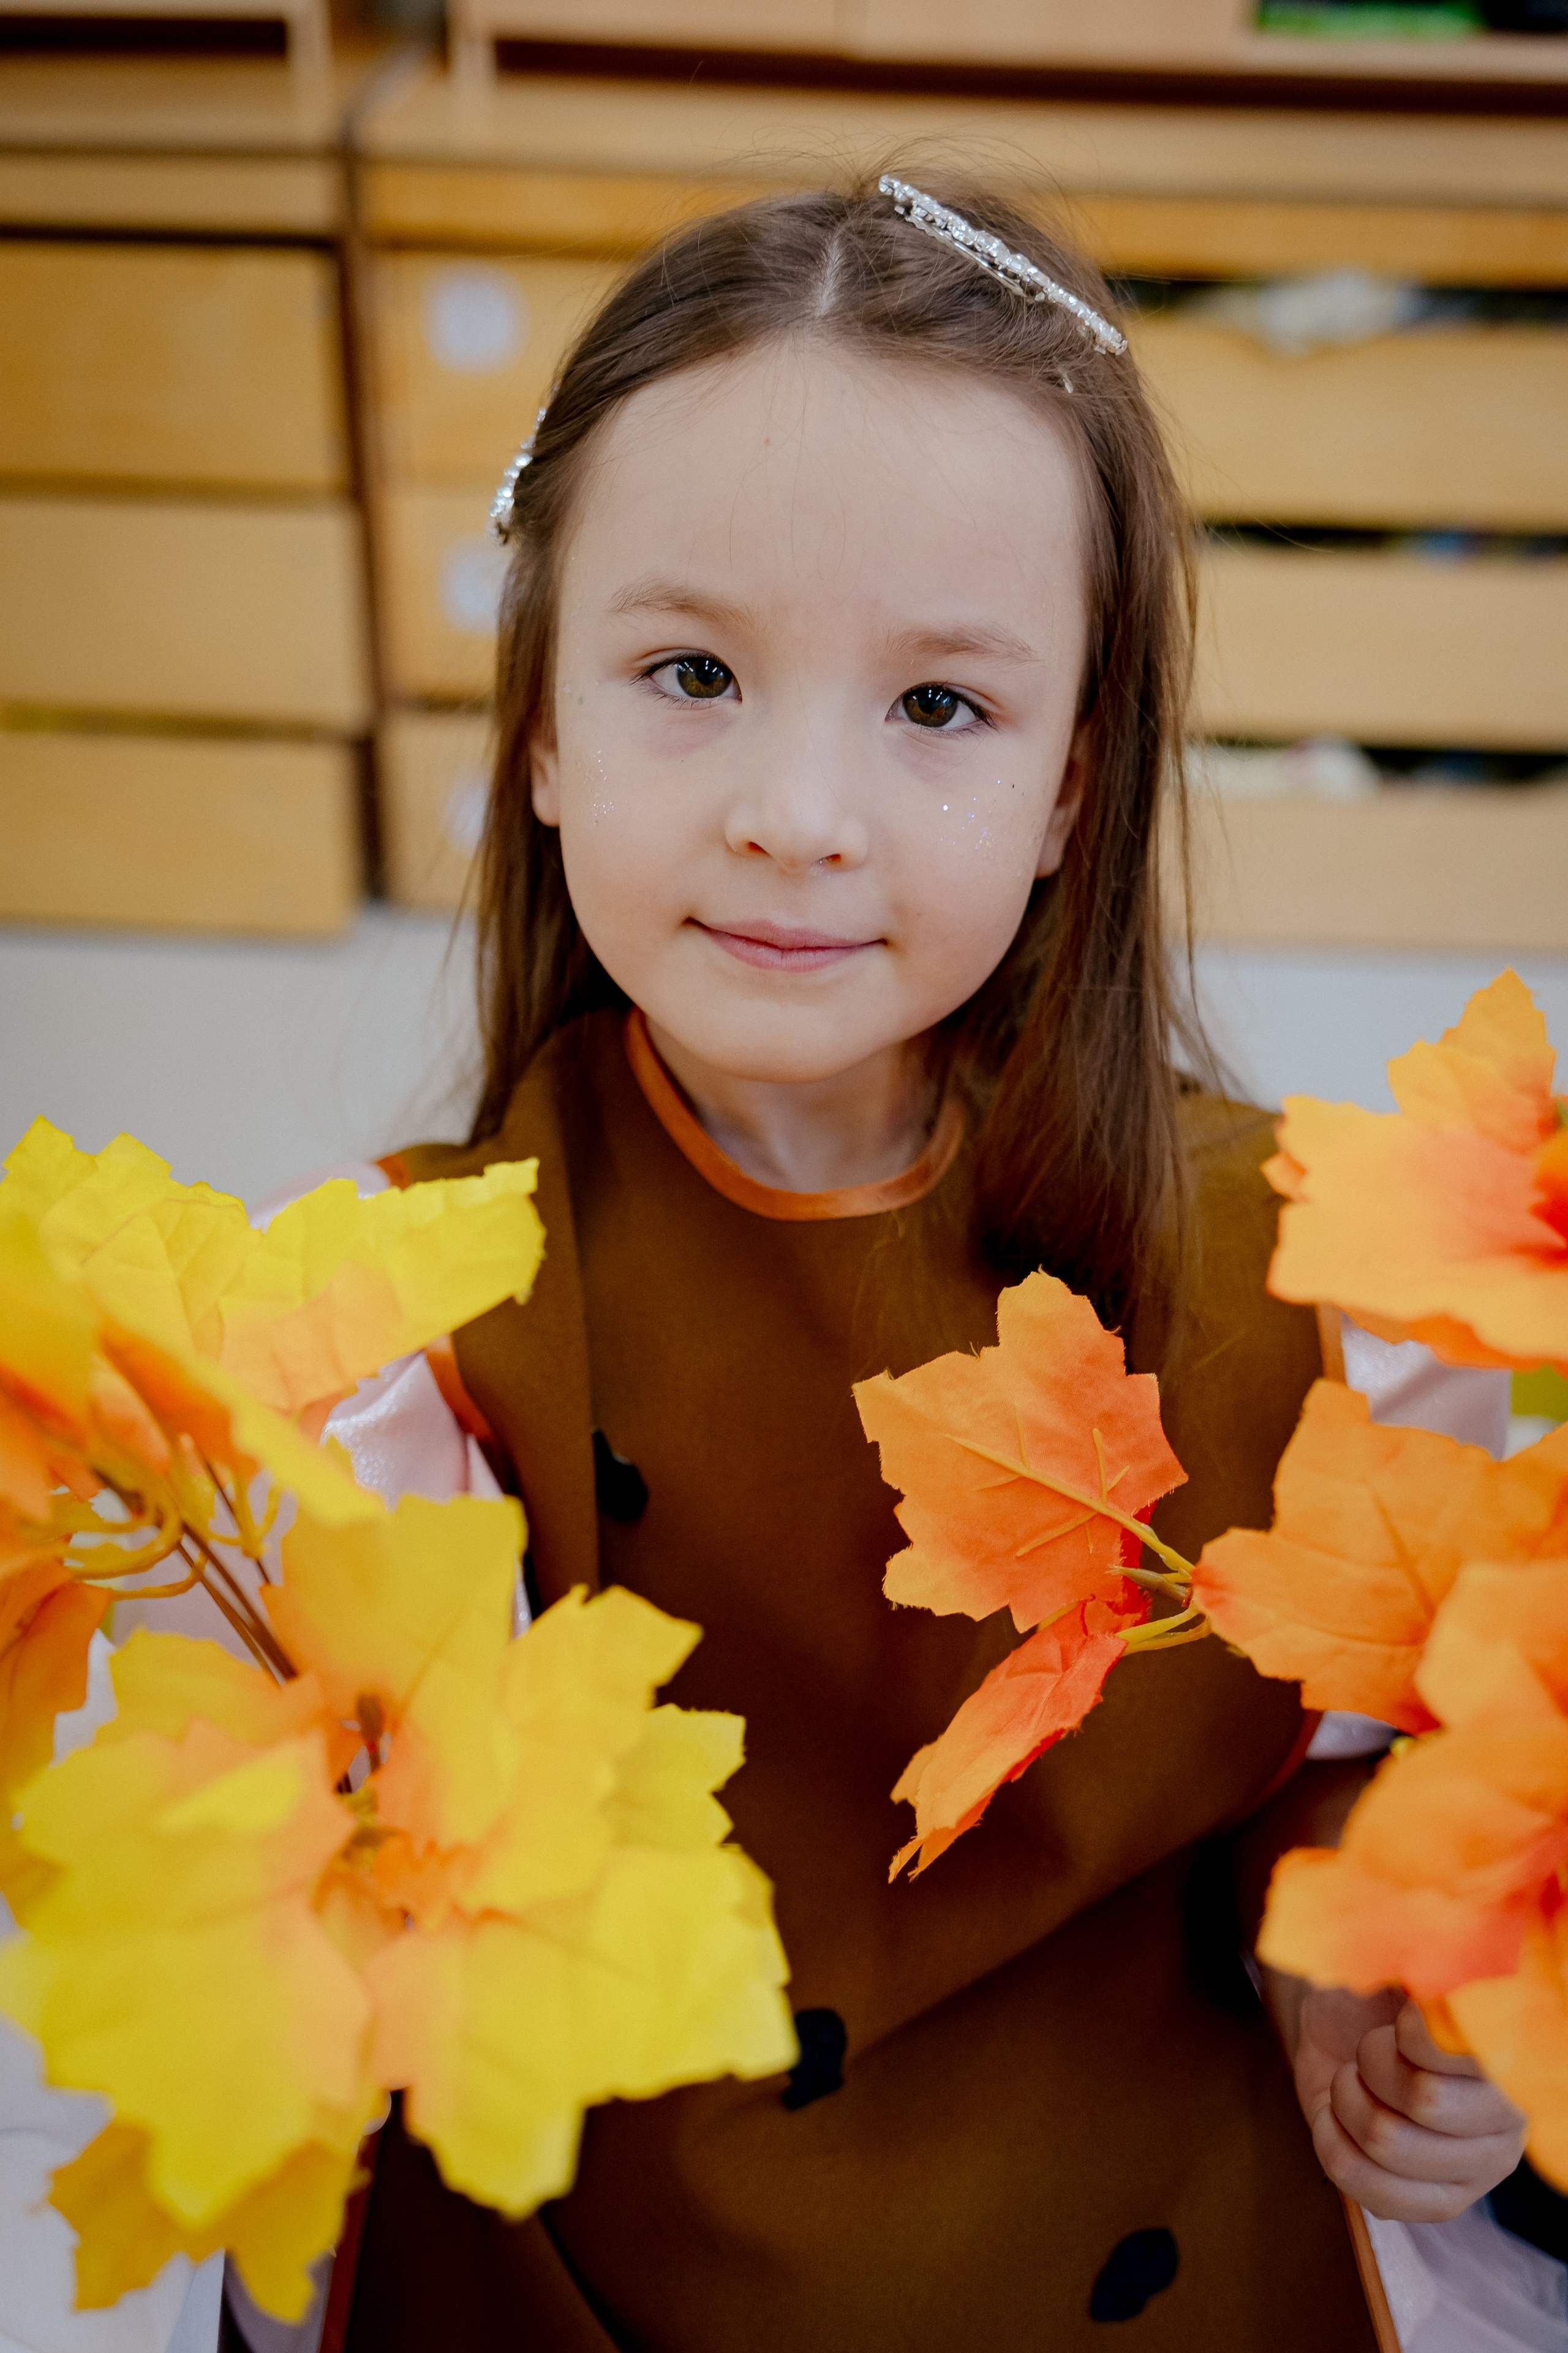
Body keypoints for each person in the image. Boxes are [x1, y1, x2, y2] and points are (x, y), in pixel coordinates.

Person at [323, 176, 1537, 2349]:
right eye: (693, 673)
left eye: (941, 708)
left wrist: (1361, 1967)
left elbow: (1332, 1775)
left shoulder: (1312, 1297)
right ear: (543, 731)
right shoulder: (388, 1330)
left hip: (1148, 2221)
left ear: (1077, 782)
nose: (799, 807)